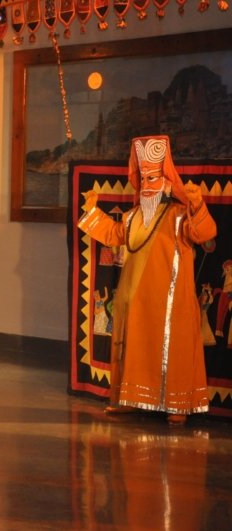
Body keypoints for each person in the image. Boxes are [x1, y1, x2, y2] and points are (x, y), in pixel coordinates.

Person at [78, 135, 215, 425]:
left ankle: (178, 404)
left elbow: (204, 234)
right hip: (135, 299)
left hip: (169, 301)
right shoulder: (132, 217)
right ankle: (130, 399)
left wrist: (197, 204)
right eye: (143, 178)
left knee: (172, 349)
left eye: (153, 177)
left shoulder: (179, 215)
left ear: (167, 182)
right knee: (134, 349)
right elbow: (114, 235)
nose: (147, 184)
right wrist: (92, 211)